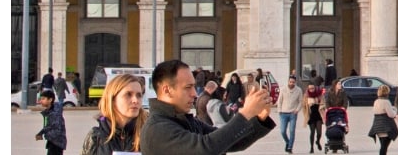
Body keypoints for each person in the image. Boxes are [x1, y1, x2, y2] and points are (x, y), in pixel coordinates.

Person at [141, 58, 276, 155]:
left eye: (194, 86)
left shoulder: (185, 120)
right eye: (188, 87)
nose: (194, 93)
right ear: (166, 90)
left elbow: (230, 142)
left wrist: (259, 118)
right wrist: (245, 113)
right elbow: (206, 148)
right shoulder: (157, 129)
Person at [78, 73, 147, 155]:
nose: (135, 100)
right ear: (113, 99)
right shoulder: (96, 137)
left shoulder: (149, 135)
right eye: (128, 94)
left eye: (139, 95)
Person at [369, 85, 398, 155]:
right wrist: (395, 111)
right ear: (387, 92)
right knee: (384, 147)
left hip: (377, 126)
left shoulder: (376, 101)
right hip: (385, 126)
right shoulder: (386, 102)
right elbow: (391, 114)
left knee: (383, 145)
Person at [36, 88, 68, 155]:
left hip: (57, 143)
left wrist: (47, 135)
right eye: (41, 99)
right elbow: (49, 125)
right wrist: (41, 133)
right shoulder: (49, 111)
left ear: (50, 100)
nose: (41, 101)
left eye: (43, 99)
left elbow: (57, 130)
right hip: (52, 142)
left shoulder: (55, 113)